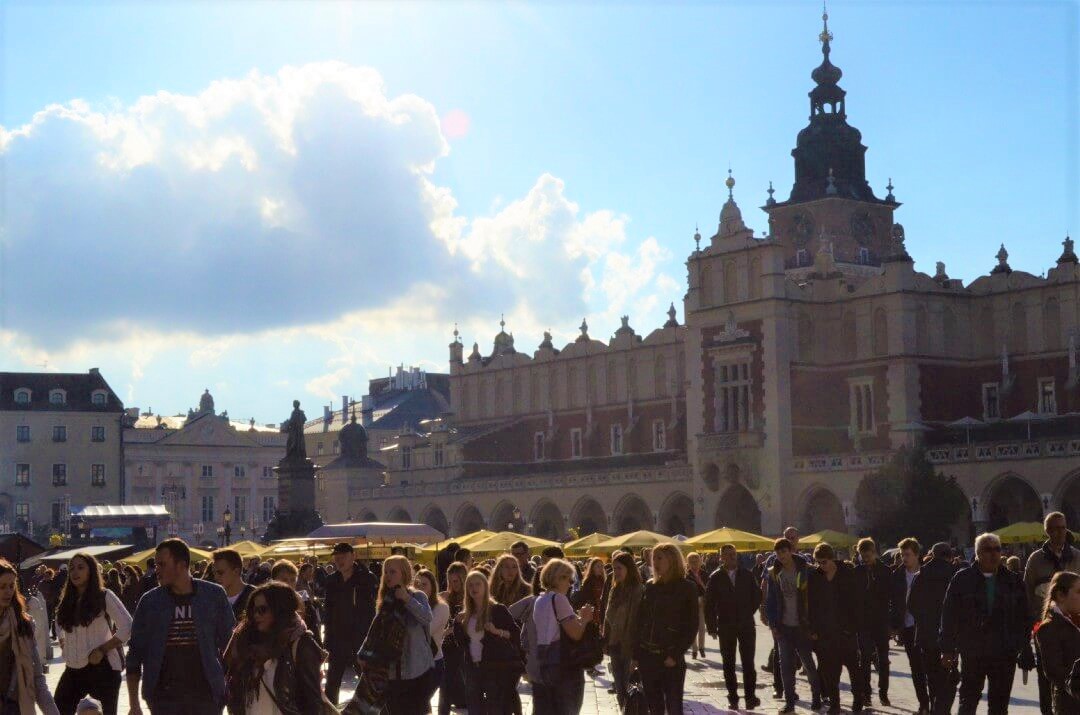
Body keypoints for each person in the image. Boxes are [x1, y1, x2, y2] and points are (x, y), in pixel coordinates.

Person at [126, 539, 234, 715]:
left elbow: (230, 643)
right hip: (163, 698)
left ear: (182, 565)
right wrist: (134, 704)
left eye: (162, 564)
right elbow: (135, 653)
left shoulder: (213, 595)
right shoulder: (150, 601)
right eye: (156, 564)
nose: (156, 570)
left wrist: (228, 689)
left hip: (206, 695)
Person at [940, 532, 1030, 715]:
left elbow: (1024, 616)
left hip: (1004, 652)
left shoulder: (1013, 580)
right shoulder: (962, 579)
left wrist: (1024, 645)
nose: (994, 554)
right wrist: (947, 648)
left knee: (999, 705)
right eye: (988, 550)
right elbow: (949, 614)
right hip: (973, 651)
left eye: (997, 549)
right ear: (978, 553)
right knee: (968, 700)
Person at [222, 581, 326, 714]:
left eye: (262, 610)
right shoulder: (244, 640)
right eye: (254, 610)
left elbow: (312, 700)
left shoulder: (301, 643)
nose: (256, 615)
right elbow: (233, 686)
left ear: (279, 609)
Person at [53, 553, 133, 715]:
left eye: (81, 567)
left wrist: (103, 649)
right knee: (58, 707)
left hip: (102, 667)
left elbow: (128, 625)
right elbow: (59, 623)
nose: (75, 572)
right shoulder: (68, 599)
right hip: (73, 668)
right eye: (72, 568)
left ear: (91, 571)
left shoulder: (104, 595)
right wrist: (63, 643)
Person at [1025, 511, 1080, 714]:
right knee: (1048, 677)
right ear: (1047, 531)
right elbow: (1028, 595)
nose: (1059, 533)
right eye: (1054, 529)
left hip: (1075, 625)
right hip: (1047, 625)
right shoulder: (1036, 560)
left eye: (1062, 528)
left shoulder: (1076, 557)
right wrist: (1032, 628)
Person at [634, 543, 697, 715]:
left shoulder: (686, 588)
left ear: (672, 560)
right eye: (653, 558)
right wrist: (636, 655)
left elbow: (691, 626)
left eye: (659, 557)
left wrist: (675, 654)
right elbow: (640, 621)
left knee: (674, 706)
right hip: (647, 655)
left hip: (670, 656)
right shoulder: (650, 586)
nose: (654, 562)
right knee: (654, 707)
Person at [763, 537, 822, 714]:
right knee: (786, 667)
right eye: (778, 553)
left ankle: (816, 697)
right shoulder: (774, 573)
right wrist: (773, 624)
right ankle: (789, 702)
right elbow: (771, 601)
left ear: (791, 551)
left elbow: (816, 600)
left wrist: (814, 626)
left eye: (784, 551)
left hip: (802, 626)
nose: (781, 556)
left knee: (808, 664)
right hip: (784, 627)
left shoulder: (807, 570)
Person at [371, 554, 435, 713]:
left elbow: (427, 618)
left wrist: (407, 599)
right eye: (385, 572)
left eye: (392, 572)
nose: (387, 576)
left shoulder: (417, 596)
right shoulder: (385, 600)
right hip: (392, 672)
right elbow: (376, 631)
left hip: (416, 670)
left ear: (404, 574)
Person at [453, 570, 521, 714]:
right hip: (472, 667)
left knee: (495, 707)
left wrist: (497, 631)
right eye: (470, 585)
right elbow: (461, 643)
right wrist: (457, 625)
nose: (474, 588)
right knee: (474, 707)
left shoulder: (497, 610)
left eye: (478, 584)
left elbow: (515, 634)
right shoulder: (465, 614)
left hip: (494, 667)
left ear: (485, 587)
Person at [531, 558, 594, 714]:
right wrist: (585, 618)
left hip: (545, 660)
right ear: (556, 578)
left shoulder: (540, 599)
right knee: (568, 708)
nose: (570, 583)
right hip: (564, 663)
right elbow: (576, 634)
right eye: (566, 578)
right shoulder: (559, 599)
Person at [807, 543, 864, 714]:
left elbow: (857, 602)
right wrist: (812, 629)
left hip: (845, 632)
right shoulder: (815, 577)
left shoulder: (847, 573)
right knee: (829, 672)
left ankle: (858, 699)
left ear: (832, 558)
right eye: (818, 562)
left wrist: (852, 627)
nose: (821, 566)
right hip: (825, 633)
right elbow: (811, 605)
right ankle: (835, 704)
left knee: (853, 669)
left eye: (824, 562)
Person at [704, 543, 761, 710]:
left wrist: (748, 611)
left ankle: (750, 697)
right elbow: (709, 604)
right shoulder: (716, 577)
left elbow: (757, 596)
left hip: (746, 624)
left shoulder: (747, 575)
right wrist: (712, 626)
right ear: (721, 557)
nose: (731, 557)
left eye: (733, 554)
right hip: (726, 624)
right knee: (728, 662)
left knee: (748, 662)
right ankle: (733, 697)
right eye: (727, 555)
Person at [0, 558, 59, 714]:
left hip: (14, 706)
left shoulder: (23, 624)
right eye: (2, 586)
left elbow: (37, 677)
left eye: (11, 586)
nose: (8, 591)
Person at [322, 542, 377, 705]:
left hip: (360, 639)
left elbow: (371, 611)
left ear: (354, 556)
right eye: (337, 558)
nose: (339, 561)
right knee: (332, 683)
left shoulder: (366, 578)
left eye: (343, 557)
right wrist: (327, 640)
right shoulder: (332, 580)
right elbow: (328, 611)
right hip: (338, 638)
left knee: (367, 681)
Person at [908, 541, 958, 715]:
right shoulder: (954, 574)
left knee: (932, 677)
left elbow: (910, 603)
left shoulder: (920, 574)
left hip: (925, 634)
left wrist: (923, 620)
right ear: (949, 555)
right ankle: (942, 709)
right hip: (949, 636)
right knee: (949, 676)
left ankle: (936, 707)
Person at [888, 537, 928, 713]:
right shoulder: (897, 575)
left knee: (929, 668)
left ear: (917, 555)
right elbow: (892, 601)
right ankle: (924, 704)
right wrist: (894, 624)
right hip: (908, 627)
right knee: (916, 669)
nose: (904, 558)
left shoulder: (927, 574)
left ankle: (933, 703)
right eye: (902, 554)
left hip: (926, 627)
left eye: (908, 554)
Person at [1033, 570, 1080, 714]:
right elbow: (1054, 671)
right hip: (1070, 705)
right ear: (1060, 595)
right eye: (1079, 592)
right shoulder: (1049, 628)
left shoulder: (1076, 621)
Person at [853, 538, 891, 708]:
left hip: (881, 621)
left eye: (868, 555)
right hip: (863, 622)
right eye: (863, 556)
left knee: (883, 659)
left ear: (874, 552)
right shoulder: (857, 572)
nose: (866, 559)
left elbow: (890, 597)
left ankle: (883, 692)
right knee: (865, 659)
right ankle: (866, 694)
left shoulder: (885, 571)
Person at [603, 552, 643, 709]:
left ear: (629, 569)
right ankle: (623, 710)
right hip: (615, 644)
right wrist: (605, 640)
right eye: (614, 568)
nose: (616, 572)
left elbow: (639, 622)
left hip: (630, 645)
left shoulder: (638, 590)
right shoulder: (615, 590)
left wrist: (636, 653)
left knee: (629, 686)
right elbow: (608, 617)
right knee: (620, 688)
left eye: (619, 568)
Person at [415, 569, 449, 709]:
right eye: (417, 584)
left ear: (432, 586)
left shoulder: (441, 607)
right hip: (414, 664)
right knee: (419, 705)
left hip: (433, 663)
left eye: (424, 584)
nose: (420, 588)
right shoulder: (410, 605)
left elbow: (425, 632)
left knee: (420, 703)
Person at [438, 562, 469, 715]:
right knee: (445, 681)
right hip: (446, 645)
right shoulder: (445, 596)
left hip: (463, 644)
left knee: (459, 680)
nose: (452, 585)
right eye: (450, 581)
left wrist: (449, 630)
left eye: (455, 581)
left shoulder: (470, 596)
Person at [269, 560, 321, 644]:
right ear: (274, 580)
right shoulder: (267, 602)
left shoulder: (303, 601)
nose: (289, 584)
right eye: (284, 580)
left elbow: (314, 630)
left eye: (293, 580)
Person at [211, 550, 254, 623]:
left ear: (236, 571)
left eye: (220, 573)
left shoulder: (254, 596)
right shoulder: (212, 597)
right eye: (214, 573)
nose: (216, 577)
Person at [685, 552, 707, 659]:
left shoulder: (704, 573)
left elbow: (708, 589)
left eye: (696, 561)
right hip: (690, 603)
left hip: (702, 602)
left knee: (702, 627)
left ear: (700, 562)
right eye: (692, 562)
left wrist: (700, 582)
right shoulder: (686, 574)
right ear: (688, 563)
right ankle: (694, 649)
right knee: (692, 627)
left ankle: (702, 648)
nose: (694, 564)